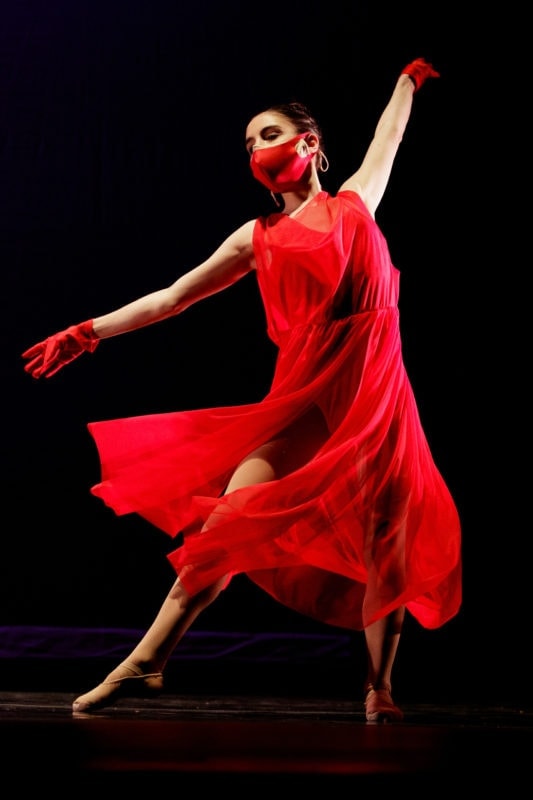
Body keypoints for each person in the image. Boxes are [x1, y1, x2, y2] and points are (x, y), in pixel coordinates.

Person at [22, 57, 462, 722]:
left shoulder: (354, 204)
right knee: (229, 524)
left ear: (307, 143)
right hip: (304, 400)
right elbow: (171, 298)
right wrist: (87, 331)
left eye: (266, 133)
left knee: (386, 537)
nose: (254, 148)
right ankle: (146, 661)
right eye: (249, 141)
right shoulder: (256, 238)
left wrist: (405, 83)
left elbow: (387, 139)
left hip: (375, 400)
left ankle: (379, 689)